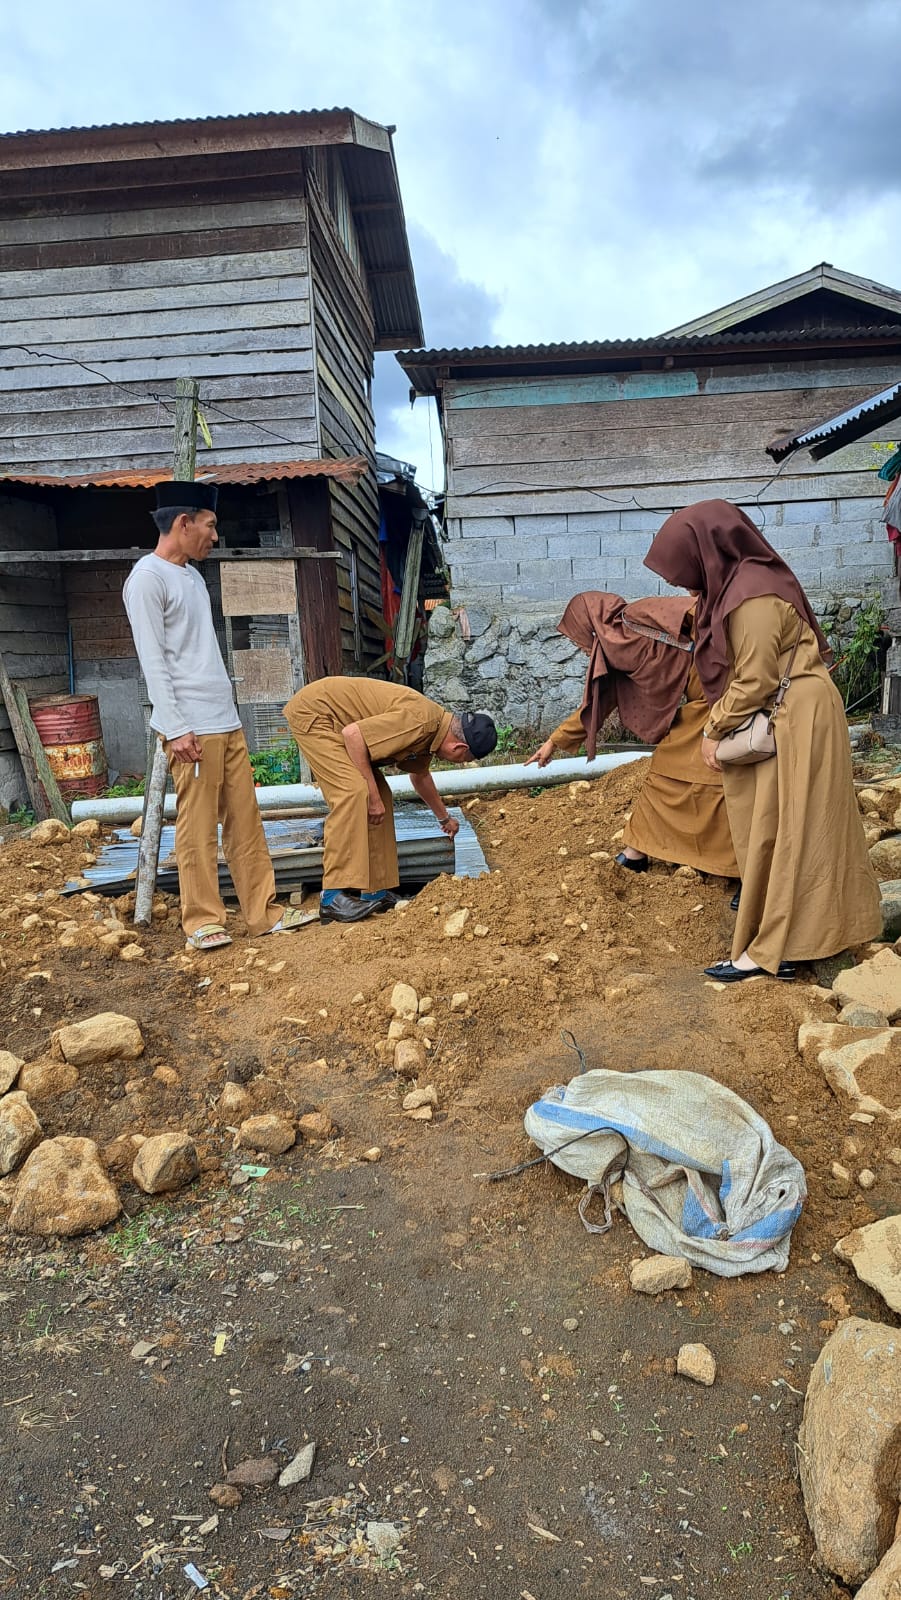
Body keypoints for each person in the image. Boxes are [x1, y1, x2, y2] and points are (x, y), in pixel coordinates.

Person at [644, 499, 882, 981]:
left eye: (685, 572)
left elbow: (755, 680)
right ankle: (799, 940)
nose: (685, 586)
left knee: (787, 830)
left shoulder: (749, 596)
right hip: (801, 712)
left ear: (707, 553)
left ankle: (769, 950)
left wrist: (712, 731)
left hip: (795, 719)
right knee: (803, 828)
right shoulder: (751, 582)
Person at [123, 480, 307, 950]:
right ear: (183, 523)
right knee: (198, 828)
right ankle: (202, 920)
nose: (214, 536)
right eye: (210, 525)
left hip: (224, 719)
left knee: (246, 821)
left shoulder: (191, 577)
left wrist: (229, 714)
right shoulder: (147, 579)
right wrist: (176, 726)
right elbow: (153, 661)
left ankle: (263, 913)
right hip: (190, 726)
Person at [525, 592, 738, 880]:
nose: (580, 646)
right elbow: (599, 703)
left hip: (718, 689)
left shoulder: (637, 617)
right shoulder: (615, 648)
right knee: (667, 770)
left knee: (707, 772)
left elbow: (693, 610)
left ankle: (736, 867)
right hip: (703, 697)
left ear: (593, 625)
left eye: (578, 638)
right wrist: (554, 741)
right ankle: (639, 851)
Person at [284, 677, 497, 923]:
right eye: (462, 759)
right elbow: (353, 735)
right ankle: (332, 897)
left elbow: (420, 776)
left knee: (381, 795)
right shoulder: (421, 722)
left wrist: (444, 818)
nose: (458, 762)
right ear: (458, 748)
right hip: (317, 714)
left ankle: (375, 891)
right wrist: (371, 796)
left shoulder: (435, 732)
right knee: (353, 792)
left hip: (336, 723)